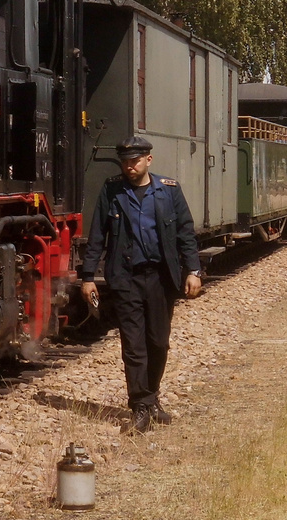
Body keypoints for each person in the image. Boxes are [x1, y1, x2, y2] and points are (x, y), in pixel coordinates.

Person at [79, 136, 202, 434]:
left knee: (158, 342)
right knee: (133, 345)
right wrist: (87, 278)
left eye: (134, 161)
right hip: (126, 278)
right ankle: (140, 407)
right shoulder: (112, 191)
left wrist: (193, 270)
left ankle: (152, 396)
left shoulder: (168, 191)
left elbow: (185, 233)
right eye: (125, 162)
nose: (129, 167)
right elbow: (97, 236)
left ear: (149, 160)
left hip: (160, 278)